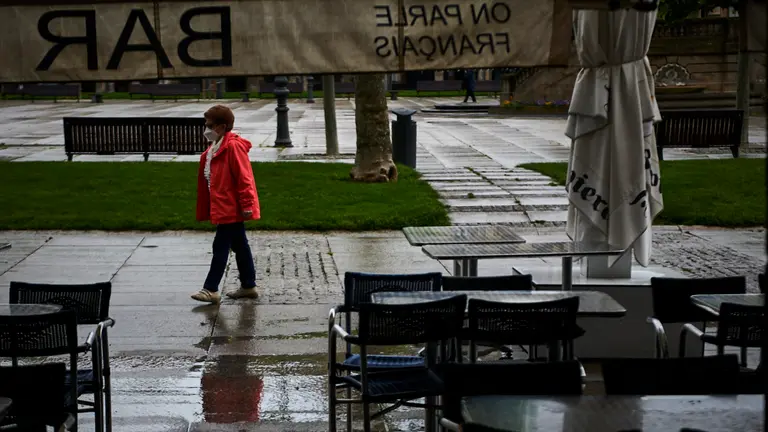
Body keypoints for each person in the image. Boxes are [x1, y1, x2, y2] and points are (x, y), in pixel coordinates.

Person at [192, 105, 260, 303]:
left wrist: (247, 205)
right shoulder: (218, 146)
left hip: (231, 207)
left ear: (221, 127)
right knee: (240, 245)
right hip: (225, 206)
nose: (206, 128)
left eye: (209, 125)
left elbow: (244, 177)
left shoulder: (232, 147)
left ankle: (211, 288)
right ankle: (249, 285)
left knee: (220, 245)